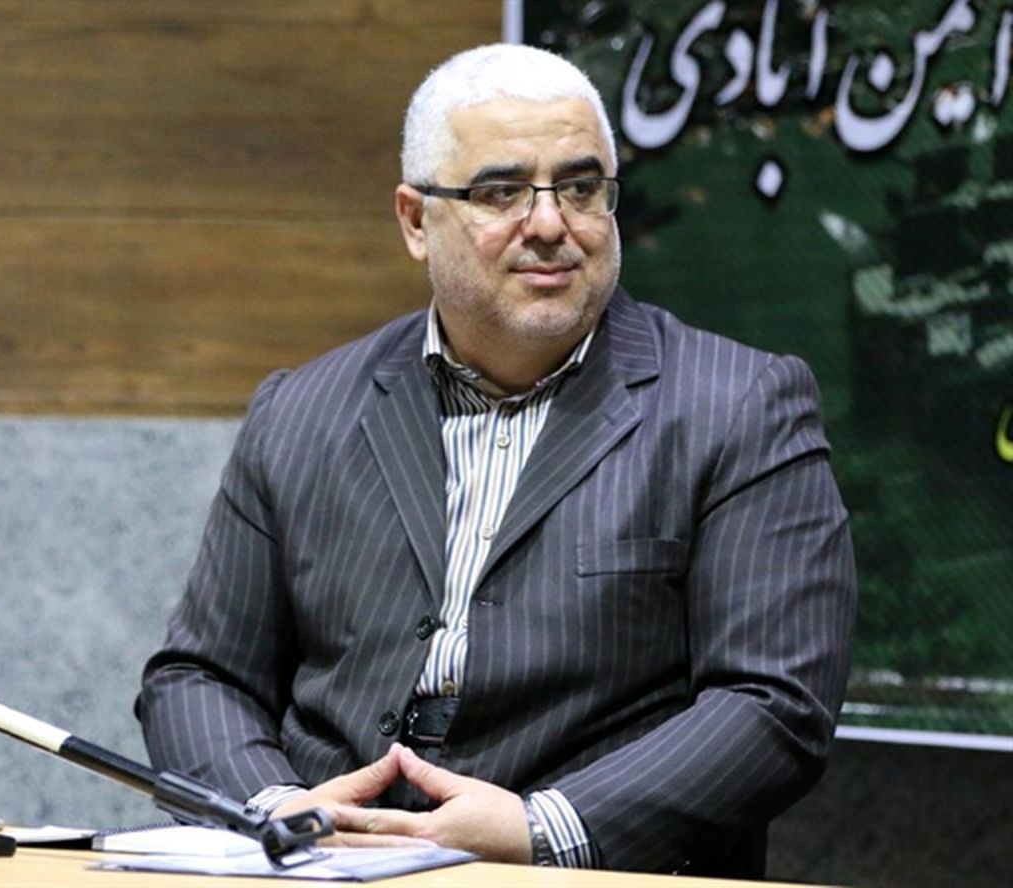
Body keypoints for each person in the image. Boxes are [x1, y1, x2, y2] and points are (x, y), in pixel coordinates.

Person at [137, 43, 856, 877]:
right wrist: (274, 812)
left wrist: (540, 827)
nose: (550, 225)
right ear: (416, 221)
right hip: (322, 868)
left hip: (584, 871)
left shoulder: (739, 405)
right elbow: (200, 674)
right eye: (501, 192)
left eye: (580, 188)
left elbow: (773, 703)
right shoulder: (301, 410)